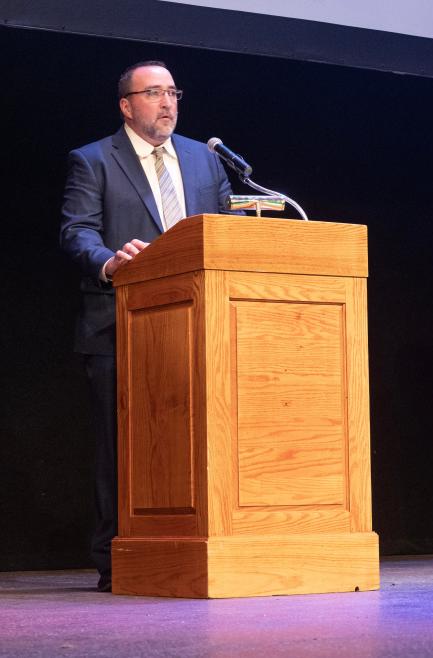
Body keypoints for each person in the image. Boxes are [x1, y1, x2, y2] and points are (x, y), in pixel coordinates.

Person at [60, 61, 234, 592]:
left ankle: (193, 548)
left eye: (173, 92)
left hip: (197, 327)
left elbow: (225, 232)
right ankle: (116, 558)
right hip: (119, 326)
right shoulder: (93, 161)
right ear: (126, 104)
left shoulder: (206, 160)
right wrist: (113, 261)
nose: (167, 102)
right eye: (154, 92)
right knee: (124, 447)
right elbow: (76, 232)